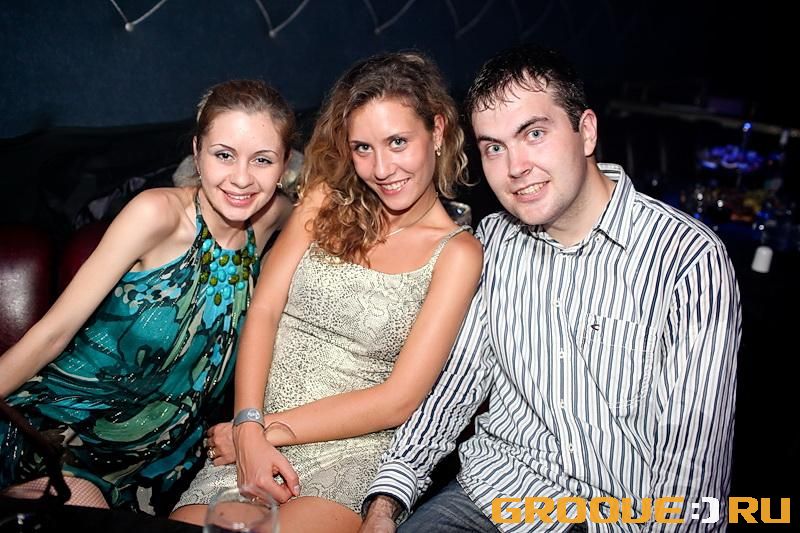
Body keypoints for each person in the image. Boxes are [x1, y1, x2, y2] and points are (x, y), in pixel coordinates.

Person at [361, 45, 741, 532]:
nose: (515, 166)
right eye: (494, 147)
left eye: (534, 134)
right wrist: (387, 502)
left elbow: (692, 471)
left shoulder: (687, 260)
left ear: (587, 132)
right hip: (492, 495)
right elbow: (453, 390)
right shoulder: (494, 242)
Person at [170, 51, 483, 532]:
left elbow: (398, 399)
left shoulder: (457, 253)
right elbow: (264, 309)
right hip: (253, 436)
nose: (382, 168)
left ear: (437, 131)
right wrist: (249, 423)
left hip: (351, 451)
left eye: (398, 142)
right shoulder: (323, 199)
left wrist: (262, 432)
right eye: (363, 148)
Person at [0, 79, 295, 511]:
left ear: (284, 165)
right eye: (223, 155)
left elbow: (329, 201)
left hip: (152, 467)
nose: (242, 178)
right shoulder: (157, 214)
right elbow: (52, 333)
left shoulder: (269, 218)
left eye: (262, 160)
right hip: (58, 435)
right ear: (197, 152)